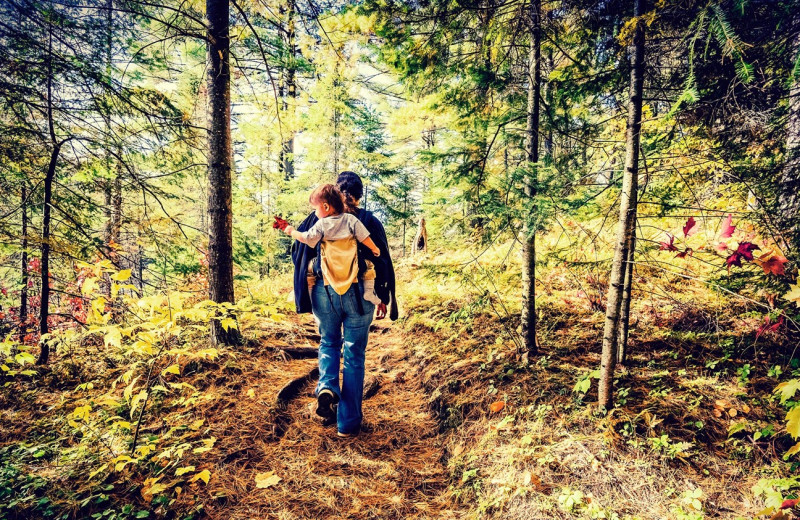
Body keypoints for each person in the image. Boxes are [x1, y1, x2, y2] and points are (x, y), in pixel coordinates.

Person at [290, 171, 398, 438]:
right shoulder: (367, 220)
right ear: (359, 196)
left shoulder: (316, 218)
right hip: (361, 291)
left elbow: (297, 253)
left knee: (328, 342)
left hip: (323, 291)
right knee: (354, 355)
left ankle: (327, 387)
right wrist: (383, 296)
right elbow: (382, 257)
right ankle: (348, 424)